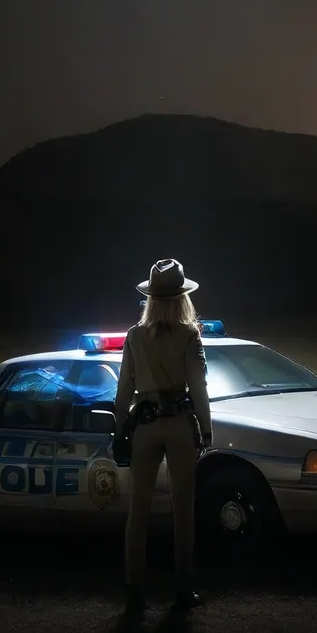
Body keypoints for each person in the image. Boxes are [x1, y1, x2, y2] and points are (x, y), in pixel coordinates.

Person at [114, 258, 212, 611]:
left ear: (151, 298)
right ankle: (184, 587)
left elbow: (123, 391)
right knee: (182, 508)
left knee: (137, 508)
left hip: (144, 423)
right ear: (182, 297)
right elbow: (198, 388)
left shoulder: (134, 336)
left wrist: (120, 430)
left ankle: (133, 583)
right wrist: (206, 428)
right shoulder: (189, 335)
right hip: (178, 424)